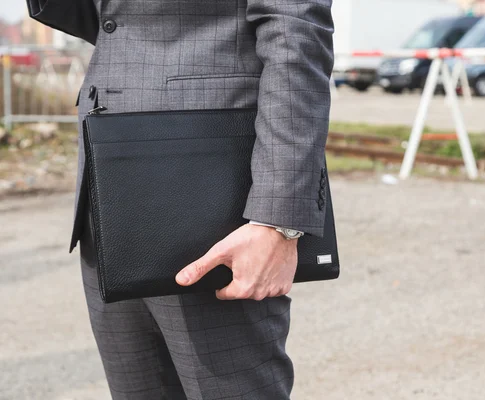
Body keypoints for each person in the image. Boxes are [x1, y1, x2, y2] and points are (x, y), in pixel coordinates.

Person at [26, 0, 335, 398]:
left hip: (213, 203)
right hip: (110, 198)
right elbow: (113, 19)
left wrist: (278, 223)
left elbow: (295, 32)